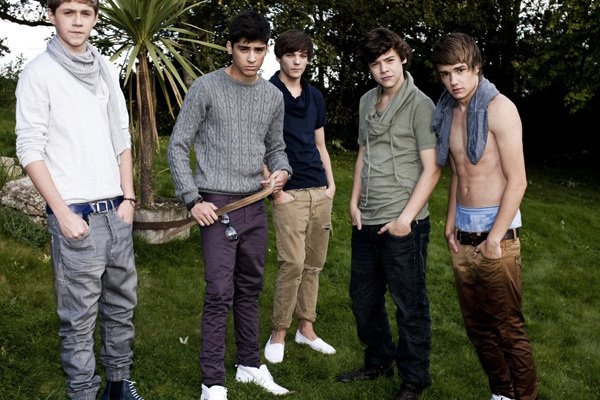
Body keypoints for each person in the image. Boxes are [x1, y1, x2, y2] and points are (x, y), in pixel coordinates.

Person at [15, 1, 144, 399]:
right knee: (79, 318)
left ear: (95, 18)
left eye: (85, 13)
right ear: (51, 15)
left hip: (116, 211)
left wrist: (129, 199)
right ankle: (83, 392)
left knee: (121, 307)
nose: (77, 21)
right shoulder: (39, 73)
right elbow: (29, 148)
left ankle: (118, 386)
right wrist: (61, 212)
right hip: (77, 217)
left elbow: (121, 135)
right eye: (68, 11)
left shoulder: (104, 67)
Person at [167, 10, 292, 400]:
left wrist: (282, 172)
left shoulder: (273, 96)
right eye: (244, 49)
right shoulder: (206, 88)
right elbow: (177, 145)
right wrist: (193, 199)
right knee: (220, 292)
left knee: (250, 287)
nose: (252, 58)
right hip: (215, 205)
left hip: (255, 203)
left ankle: (249, 364)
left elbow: (277, 148)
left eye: (259, 50)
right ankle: (212, 382)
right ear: (229, 48)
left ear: (267, 50)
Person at [335, 28, 441, 400]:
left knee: (410, 305)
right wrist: (353, 202)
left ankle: (414, 380)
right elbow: (363, 154)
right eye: (376, 64)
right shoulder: (367, 100)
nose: (384, 70)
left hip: (403, 224)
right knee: (363, 300)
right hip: (366, 218)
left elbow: (432, 169)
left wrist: (404, 220)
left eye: (390, 61)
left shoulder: (421, 105)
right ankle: (379, 360)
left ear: (403, 58)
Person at [431, 32, 537, 400]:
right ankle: (502, 392)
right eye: (446, 74)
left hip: (496, 238)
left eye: (460, 70)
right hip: (462, 235)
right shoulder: (448, 111)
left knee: (508, 328)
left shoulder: (499, 108)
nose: (453, 81)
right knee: (477, 327)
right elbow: (459, 173)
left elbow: (518, 180)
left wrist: (494, 239)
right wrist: (449, 223)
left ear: (477, 67)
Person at [262, 29, 336, 364]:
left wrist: (330, 185)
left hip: (319, 190)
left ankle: (306, 328)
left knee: (314, 265)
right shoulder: (267, 92)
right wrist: (275, 192)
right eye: (291, 55)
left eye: (303, 56)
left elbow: (320, 144)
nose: (297, 61)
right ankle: (278, 331)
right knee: (291, 263)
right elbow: (257, 145)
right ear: (279, 57)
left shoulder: (315, 96)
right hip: (288, 192)